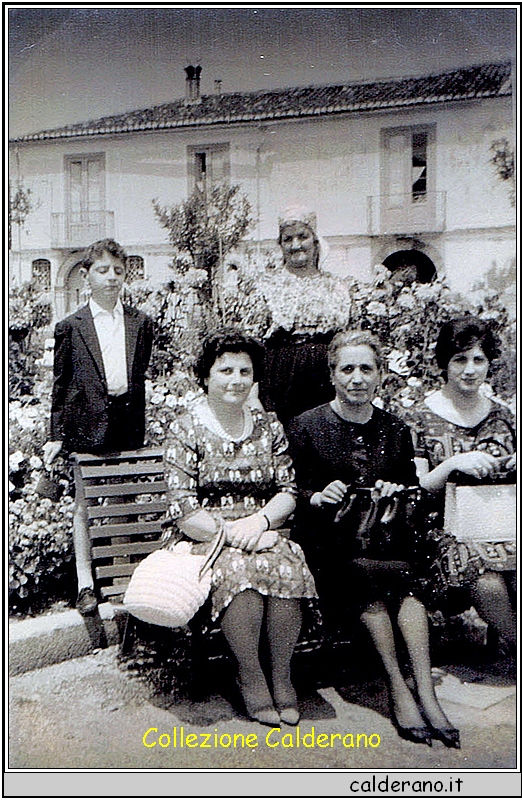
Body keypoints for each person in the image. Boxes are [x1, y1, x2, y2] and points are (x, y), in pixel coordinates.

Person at [288, 330, 459, 747]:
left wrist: (392, 489)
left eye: (367, 368)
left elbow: (409, 492)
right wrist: (318, 495)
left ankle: (427, 692)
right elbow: (295, 492)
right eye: (347, 368)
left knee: (407, 583)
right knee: (368, 581)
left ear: (381, 375)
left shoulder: (395, 430)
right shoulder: (306, 426)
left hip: (386, 541)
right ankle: (398, 689)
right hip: (331, 548)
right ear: (332, 375)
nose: (357, 378)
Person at [161, 329, 317, 726]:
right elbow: (183, 507)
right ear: (206, 376)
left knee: (287, 563)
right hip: (203, 536)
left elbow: (288, 490)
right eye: (225, 369)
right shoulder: (186, 427)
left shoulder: (269, 425)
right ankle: (250, 673)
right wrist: (236, 534)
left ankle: (282, 675)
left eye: (244, 371)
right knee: (238, 572)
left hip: (261, 530)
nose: (236, 379)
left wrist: (260, 521)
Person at [43, 238, 154, 615]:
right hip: (85, 425)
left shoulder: (141, 323)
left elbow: (138, 372)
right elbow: (60, 383)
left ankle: (124, 580)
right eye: (103, 270)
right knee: (83, 506)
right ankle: (86, 583)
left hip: (126, 424)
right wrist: (56, 434)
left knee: (124, 498)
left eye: (118, 271)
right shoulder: (70, 327)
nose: (111, 278)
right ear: (87, 275)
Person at [406, 317, 516, 650]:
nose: (469, 369)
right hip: (445, 531)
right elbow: (418, 486)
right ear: (444, 363)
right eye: (460, 359)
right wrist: (453, 463)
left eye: (478, 360)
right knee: (486, 580)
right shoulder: (417, 417)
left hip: (503, 522)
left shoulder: (504, 416)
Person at [251, 206, 354, 427]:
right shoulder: (266, 285)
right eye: (288, 239)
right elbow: (253, 343)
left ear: (315, 241)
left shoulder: (335, 285)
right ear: (280, 245)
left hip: (325, 374)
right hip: (281, 375)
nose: (296, 245)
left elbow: (346, 336)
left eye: (303, 237)